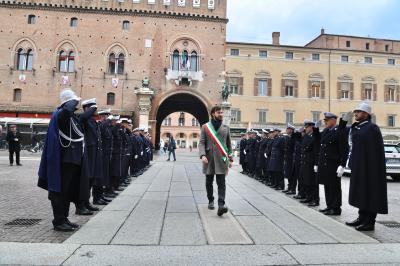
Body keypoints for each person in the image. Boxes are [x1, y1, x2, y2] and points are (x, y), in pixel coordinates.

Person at [38, 89, 83, 232]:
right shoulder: (61, 114)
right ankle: (58, 221)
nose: (76, 104)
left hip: (71, 160)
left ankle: (64, 218)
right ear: (68, 103)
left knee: (67, 191)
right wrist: (72, 101)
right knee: (59, 191)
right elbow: (66, 112)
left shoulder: (70, 116)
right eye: (74, 102)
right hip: (63, 160)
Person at [345, 103, 388, 231]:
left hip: (370, 168)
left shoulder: (372, 128)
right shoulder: (358, 127)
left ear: (366, 114)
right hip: (360, 166)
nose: (356, 114)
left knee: (371, 193)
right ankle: (361, 217)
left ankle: (370, 221)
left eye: (358, 112)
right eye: (355, 112)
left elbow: (376, 150)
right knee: (361, 192)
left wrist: (373, 168)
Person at [199, 106, 233, 216]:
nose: (221, 114)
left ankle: (221, 205)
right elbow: (202, 142)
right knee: (209, 182)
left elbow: (228, 144)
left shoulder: (226, 128)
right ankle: (211, 200)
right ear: (213, 113)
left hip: (221, 159)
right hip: (208, 159)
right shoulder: (205, 127)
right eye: (219, 112)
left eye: (222, 112)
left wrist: (231, 158)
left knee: (221, 183)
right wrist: (202, 155)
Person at [317, 112, 348, 216]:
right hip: (325, 163)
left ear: (334, 120)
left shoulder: (340, 130)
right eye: (325, 120)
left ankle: (336, 208)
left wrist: (342, 165)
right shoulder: (326, 131)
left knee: (334, 186)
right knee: (327, 185)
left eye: (327, 120)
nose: (325, 122)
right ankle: (329, 205)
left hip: (334, 164)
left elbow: (344, 149)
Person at [299, 120, 320, 207]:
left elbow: (316, 151)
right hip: (305, 162)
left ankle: (315, 199)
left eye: (307, 127)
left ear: (311, 127)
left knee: (313, 182)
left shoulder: (315, 137)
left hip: (311, 162)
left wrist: (316, 163)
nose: (305, 128)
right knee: (306, 180)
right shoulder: (306, 137)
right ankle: (309, 197)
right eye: (305, 127)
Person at [282, 124, 296, 194]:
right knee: (288, 174)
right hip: (287, 158)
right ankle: (289, 187)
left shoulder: (294, 138)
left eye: (288, 129)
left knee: (292, 175)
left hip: (292, 159)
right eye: (287, 129)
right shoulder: (286, 138)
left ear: (291, 130)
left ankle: (293, 189)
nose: (286, 130)